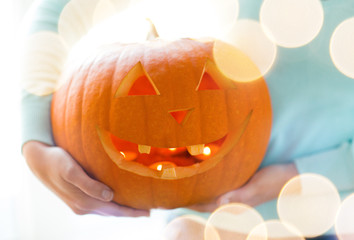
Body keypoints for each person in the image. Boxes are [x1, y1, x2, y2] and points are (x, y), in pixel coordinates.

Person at [21, 0, 354, 239]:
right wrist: (34, 141)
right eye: (141, 91)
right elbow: (56, 10)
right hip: (213, 217)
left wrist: (297, 176)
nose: (176, 115)